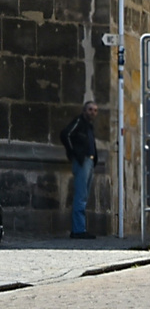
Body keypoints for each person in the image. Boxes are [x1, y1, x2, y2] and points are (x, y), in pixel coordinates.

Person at [59, 100, 98, 239]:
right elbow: (65, 135)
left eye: (94, 110)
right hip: (82, 161)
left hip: (90, 161)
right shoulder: (79, 122)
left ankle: (80, 228)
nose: (92, 112)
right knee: (81, 196)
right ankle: (78, 230)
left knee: (84, 196)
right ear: (84, 111)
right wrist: (74, 153)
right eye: (90, 109)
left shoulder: (89, 126)